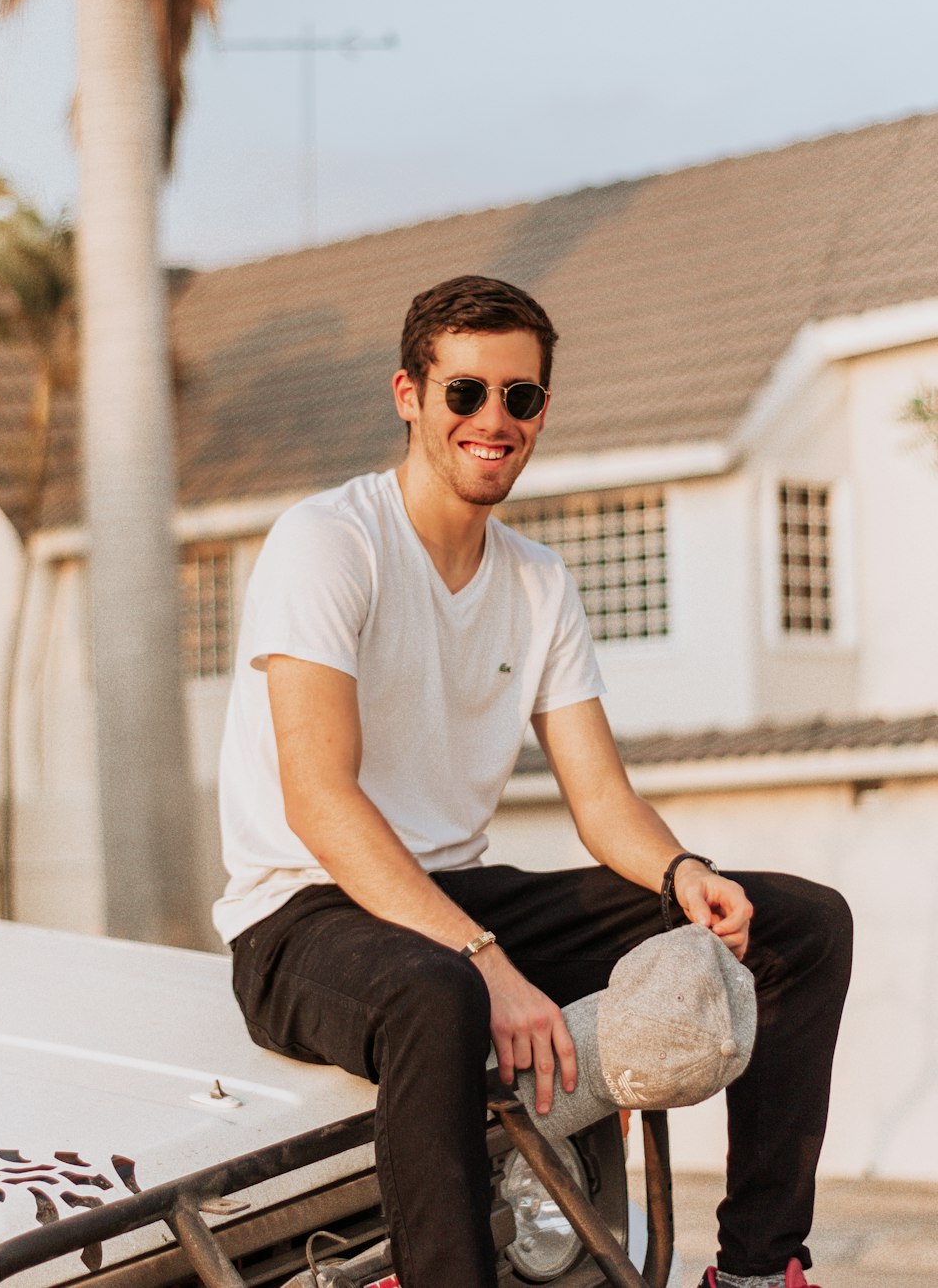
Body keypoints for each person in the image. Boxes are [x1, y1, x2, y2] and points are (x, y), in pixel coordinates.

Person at [215, 275, 852, 1288]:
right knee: (438, 993)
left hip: (449, 899)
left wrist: (682, 872)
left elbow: (599, 799)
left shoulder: (537, 582)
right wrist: (487, 962)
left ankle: (754, 1270)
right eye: (464, 392)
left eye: (520, 397)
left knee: (799, 923)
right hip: (300, 917)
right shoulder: (329, 543)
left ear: (541, 411)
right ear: (409, 396)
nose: (492, 419)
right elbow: (319, 801)